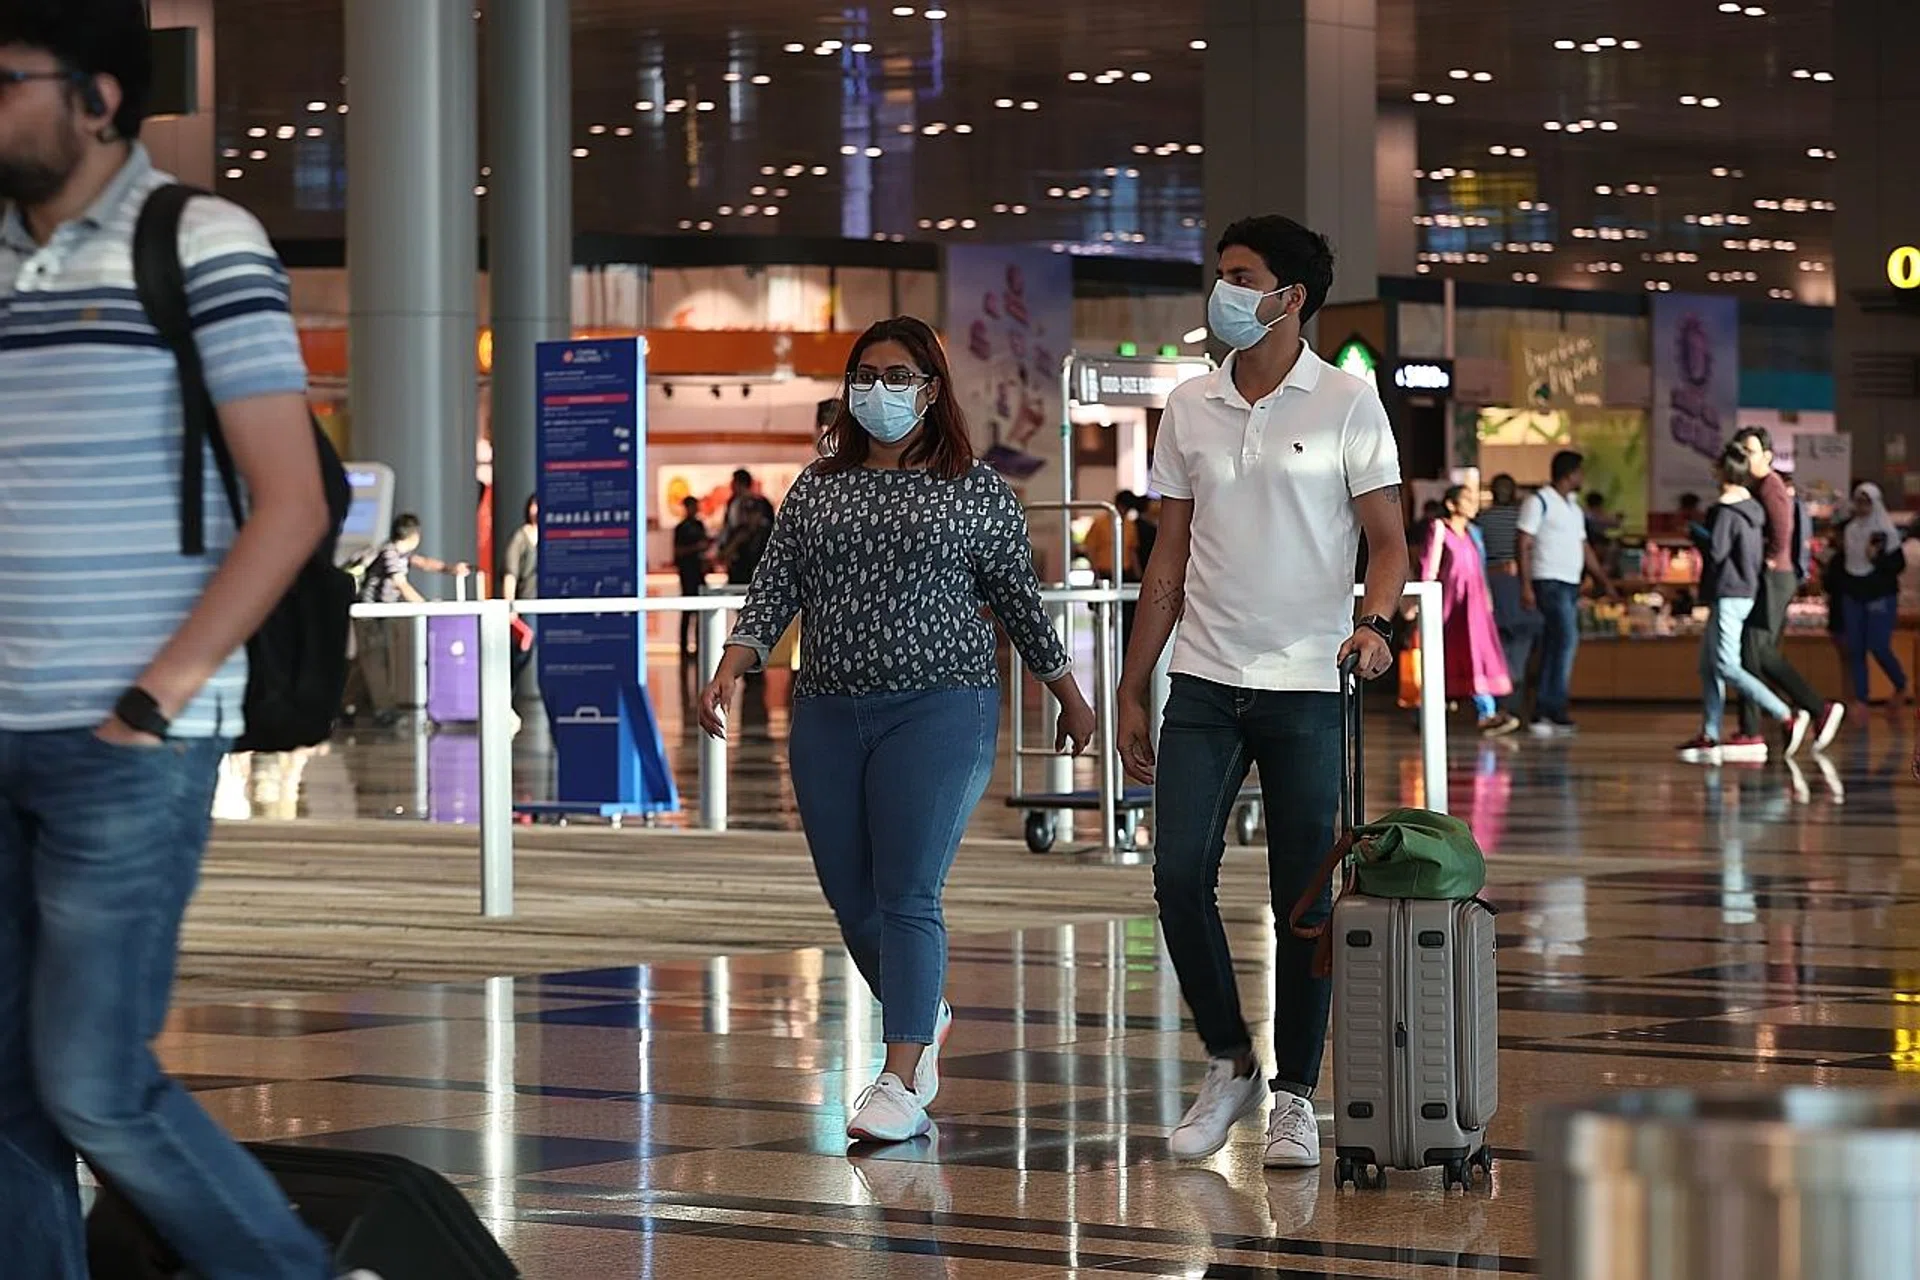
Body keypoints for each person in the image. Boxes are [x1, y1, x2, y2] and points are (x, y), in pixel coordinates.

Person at [0, 4, 359, 1276]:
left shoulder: (197, 239)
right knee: (6, 1090)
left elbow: (294, 499)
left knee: (93, 1078)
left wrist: (156, 697)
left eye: (7, 79)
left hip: (127, 740)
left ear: (98, 97)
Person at [698, 316, 1097, 1145]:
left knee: (908, 889)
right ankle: (926, 1009)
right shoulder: (818, 488)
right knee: (852, 898)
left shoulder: (976, 490)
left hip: (940, 708)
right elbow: (775, 587)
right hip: (828, 710)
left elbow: (1020, 601)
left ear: (931, 389)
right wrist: (731, 666)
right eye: (866, 375)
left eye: (898, 376)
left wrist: (1069, 694)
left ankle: (903, 1075)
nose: (879, 390)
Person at [1113, 215, 1408, 1169]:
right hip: (1202, 679)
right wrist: (1132, 682)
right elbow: (1167, 555)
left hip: (1308, 685)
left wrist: (1377, 625)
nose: (1224, 291)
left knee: (1303, 902)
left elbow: (1390, 543)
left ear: (1292, 298)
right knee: (1176, 876)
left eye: (1242, 277)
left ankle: (1295, 1096)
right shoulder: (1189, 405)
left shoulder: (1349, 403)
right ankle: (1230, 1058)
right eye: (1222, 274)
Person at [1677, 445, 1812, 764]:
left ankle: (1785, 714)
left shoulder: (1724, 511)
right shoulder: (1752, 508)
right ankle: (1709, 732)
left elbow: (1717, 552)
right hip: (1744, 590)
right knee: (1709, 665)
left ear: (1723, 473)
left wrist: (1696, 534)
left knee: (1725, 665)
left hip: (1728, 592)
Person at [1727, 427, 1844, 757]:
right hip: (1772, 577)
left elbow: (1782, 531)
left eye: (1751, 451)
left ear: (1767, 455)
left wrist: (1767, 562)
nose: (1745, 457)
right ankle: (1760, 727)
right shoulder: (1756, 487)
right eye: (1742, 451)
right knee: (1753, 653)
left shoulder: (1771, 487)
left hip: (1775, 577)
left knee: (1756, 650)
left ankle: (1814, 707)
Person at [1517, 450, 1617, 737]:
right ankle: (1551, 708)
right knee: (1565, 641)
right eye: (1580, 472)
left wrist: (1603, 580)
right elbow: (1523, 542)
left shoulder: (1573, 508)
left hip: (1570, 583)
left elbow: (1584, 547)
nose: (1583, 478)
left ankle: (1545, 710)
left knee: (1555, 644)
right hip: (1549, 581)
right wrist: (1526, 584)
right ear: (1569, 474)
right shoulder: (1539, 502)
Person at [350, 513, 467, 728]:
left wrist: (450, 569)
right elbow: (400, 583)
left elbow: (424, 563)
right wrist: (424, 605)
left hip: (381, 614)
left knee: (366, 662)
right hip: (370, 615)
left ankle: (345, 704)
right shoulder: (390, 553)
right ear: (414, 536)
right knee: (375, 662)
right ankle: (383, 711)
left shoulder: (401, 554)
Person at [1422, 485, 1517, 736]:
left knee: (1478, 656)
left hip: (1474, 609)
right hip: (1449, 608)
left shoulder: (1474, 534)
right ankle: (1426, 711)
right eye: (1467, 499)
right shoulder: (1440, 529)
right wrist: (1423, 604)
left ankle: (1487, 712)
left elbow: (1479, 570)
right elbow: (1429, 569)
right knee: (1443, 657)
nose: (1473, 503)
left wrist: (1488, 602)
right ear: (1451, 504)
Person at [1830, 482, 1910, 715]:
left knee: (1878, 645)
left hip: (1880, 595)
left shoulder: (1887, 532)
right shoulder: (1850, 530)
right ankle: (1861, 699)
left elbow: (1897, 566)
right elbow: (1845, 563)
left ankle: (1900, 683)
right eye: (1859, 502)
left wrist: (1875, 558)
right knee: (1855, 647)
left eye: (1867, 502)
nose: (1862, 507)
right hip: (1853, 593)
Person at [1478, 473, 1540, 723]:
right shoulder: (1520, 518)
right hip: (1518, 584)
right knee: (1520, 647)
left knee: (1496, 647)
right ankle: (1513, 703)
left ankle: (1498, 706)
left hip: (1491, 586)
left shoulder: (1482, 519)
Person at [500, 494, 539, 689]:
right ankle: (507, 692)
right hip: (525, 604)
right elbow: (510, 573)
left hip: (544, 604)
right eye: (534, 505)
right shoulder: (520, 538)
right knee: (521, 652)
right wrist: (510, 606)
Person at [718, 467, 776, 585]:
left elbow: (748, 530)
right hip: (736, 558)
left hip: (753, 555)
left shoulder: (757, 502)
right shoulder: (733, 502)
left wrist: (730, 549)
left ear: (740, 483)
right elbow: (728, 528)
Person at [673, 495, 712, 661]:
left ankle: (700, 645)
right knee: (688, 610)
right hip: (687, 572)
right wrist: (696, 548)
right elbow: (677, 552)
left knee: (701, 611)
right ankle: (684, 647)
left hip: (699, 572)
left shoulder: (699, 525)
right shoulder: (681, 528)